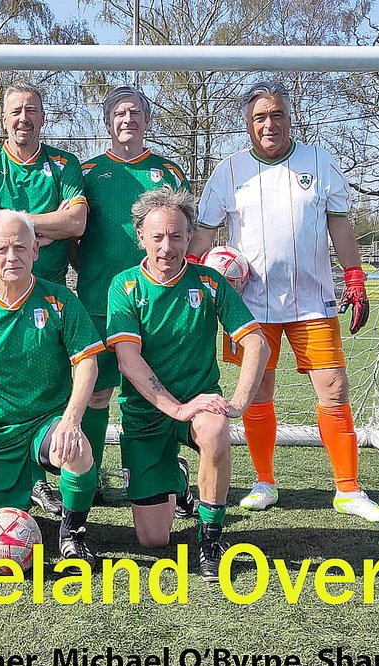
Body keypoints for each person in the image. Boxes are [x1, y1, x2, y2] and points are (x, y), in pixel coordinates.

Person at [190, 80, 379, 523]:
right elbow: (205, 233)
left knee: (334, 388)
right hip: (249, 305)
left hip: (313, 302)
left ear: (290, 117)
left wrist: (355, 275)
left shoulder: (320, 162)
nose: (269, 124)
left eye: (277, 114)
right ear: (247, 125)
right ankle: (264, 482)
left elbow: (339, 224)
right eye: (259, 117)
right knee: (258, 390)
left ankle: (348, 489)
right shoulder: (228, 170)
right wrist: (189, 273)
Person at [107, 187, 268, 581]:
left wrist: (237, 403)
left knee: (215, 428)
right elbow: (128, 360)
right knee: (153, 539)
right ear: (140, 236)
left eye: (176, 236)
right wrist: (176, 408)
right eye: (157, 237)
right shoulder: (124, 286)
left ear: (190, 237)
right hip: (146, 414)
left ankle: (211, 539)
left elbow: (256, 343)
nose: (167, 247)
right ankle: (177, 480)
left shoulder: (209, 282)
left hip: (198, 407)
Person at [0, 210, 103, 564]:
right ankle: (14, 495)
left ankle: (72, 534)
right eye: (2, 249)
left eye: (20, 247)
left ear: (35, 251)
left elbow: (87, 362)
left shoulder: (60, 300)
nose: (11, 256)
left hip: (46, 424)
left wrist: (70, 421)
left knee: (76, 449)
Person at [0, 84, 88, 517]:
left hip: (49, 295)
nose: (23, 118)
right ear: (3, 118)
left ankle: (52, 482)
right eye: (15, 110)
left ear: (42, 116)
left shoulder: (64, 163)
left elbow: (77, 222)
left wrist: (12, 225)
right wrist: (40, 227)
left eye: (31, 110)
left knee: (49, 386)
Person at [77, 85, 191, 510]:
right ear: (108, 122)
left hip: (159, 305)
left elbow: (187, 231)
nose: (128, 120)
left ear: (147, 120)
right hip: (100, 301)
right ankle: (88, 476)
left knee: (152, 390)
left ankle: (162, 477)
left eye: (135, 112)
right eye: (120, 113)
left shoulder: (168, 171)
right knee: (97, 392)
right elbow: (75, 238)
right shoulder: (88, 172)